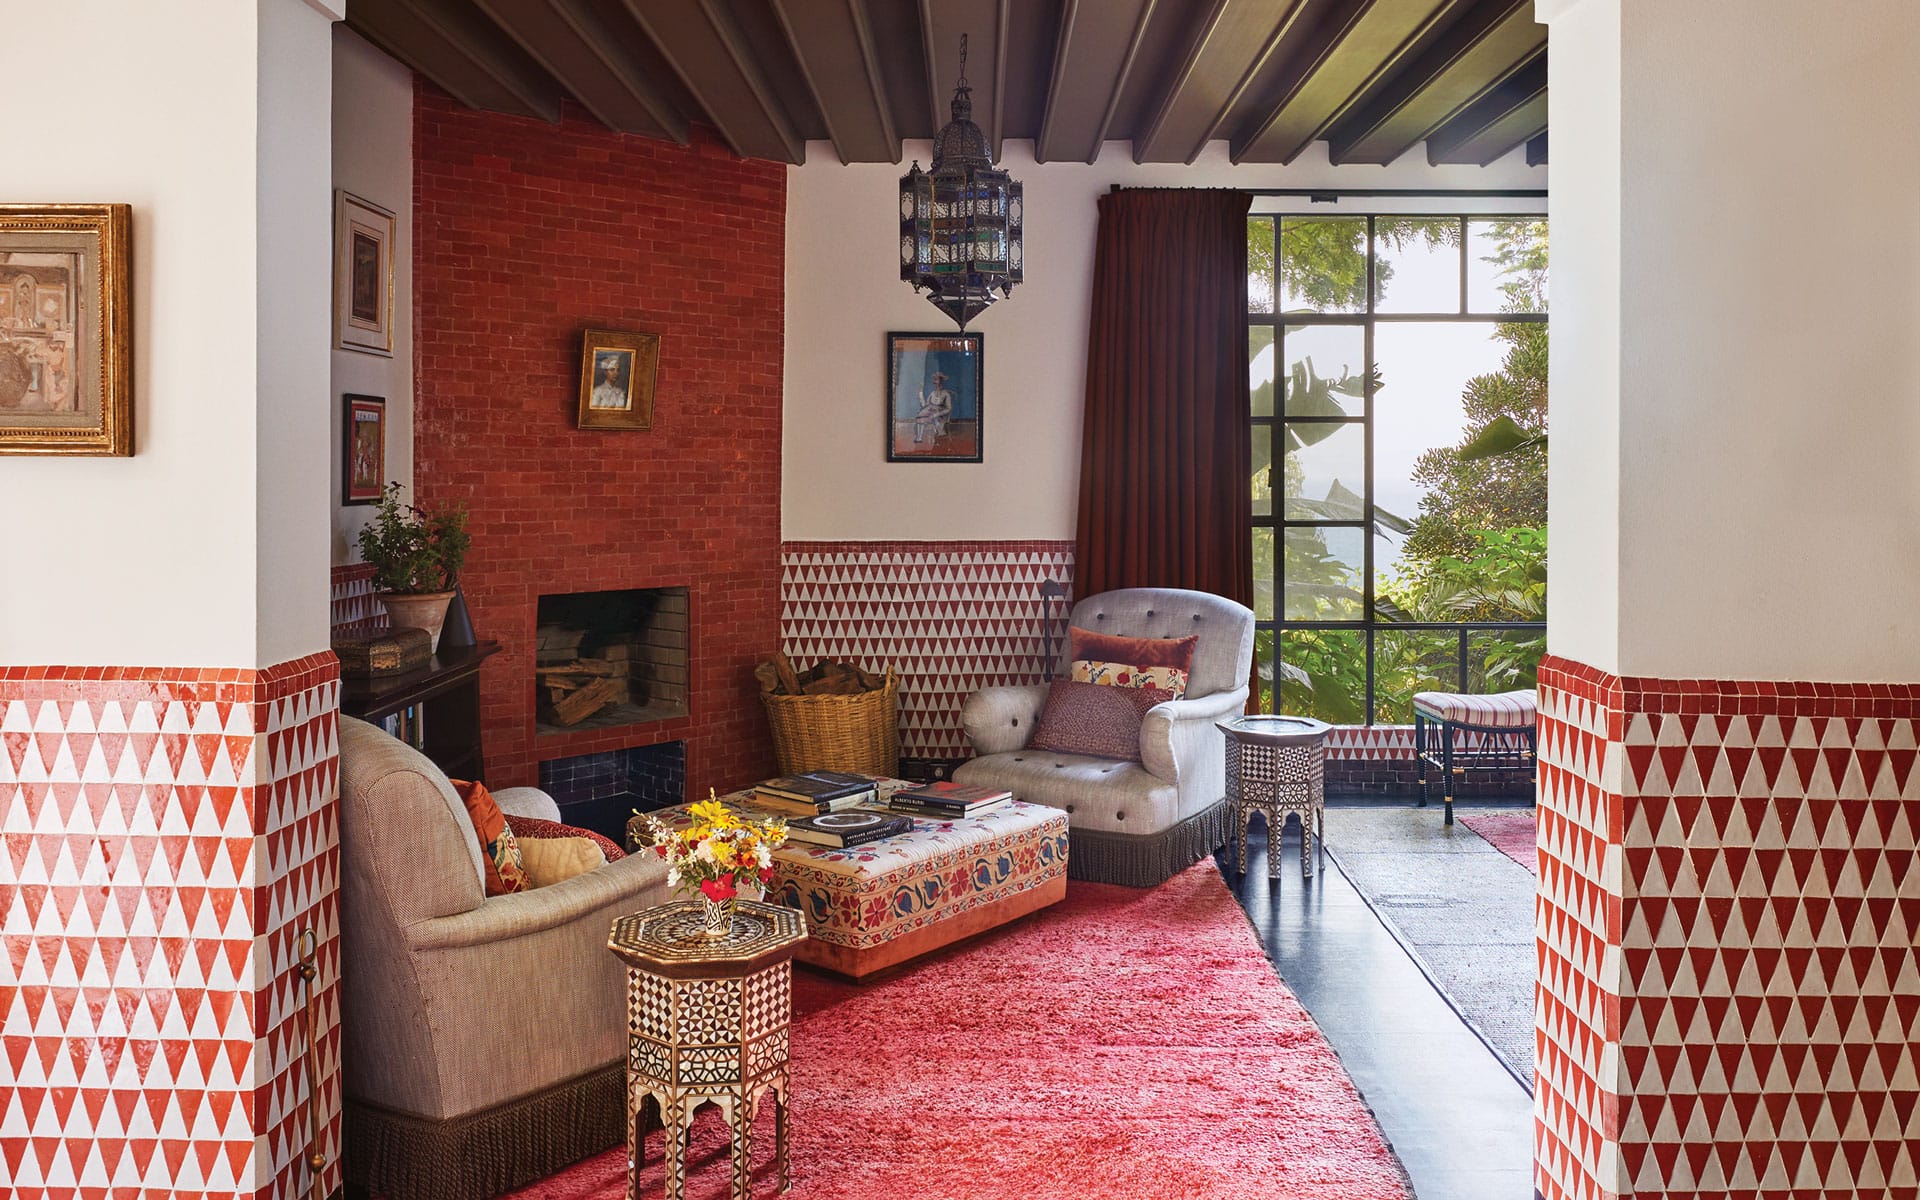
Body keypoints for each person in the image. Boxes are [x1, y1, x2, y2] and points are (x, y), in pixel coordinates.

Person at [913, 371, 954, 444]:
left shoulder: (946, 394)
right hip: (931, 413)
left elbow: (948, 408)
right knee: (920, 417)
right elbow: (924, 405)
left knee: (934, 419)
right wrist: (920, 393)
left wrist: (937, 414)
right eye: (934, 379)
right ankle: (918, 438)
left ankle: (940, 435)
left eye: (936, 379)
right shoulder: (932, 393)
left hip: (940, 414)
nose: (934, 381)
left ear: (940, 381)